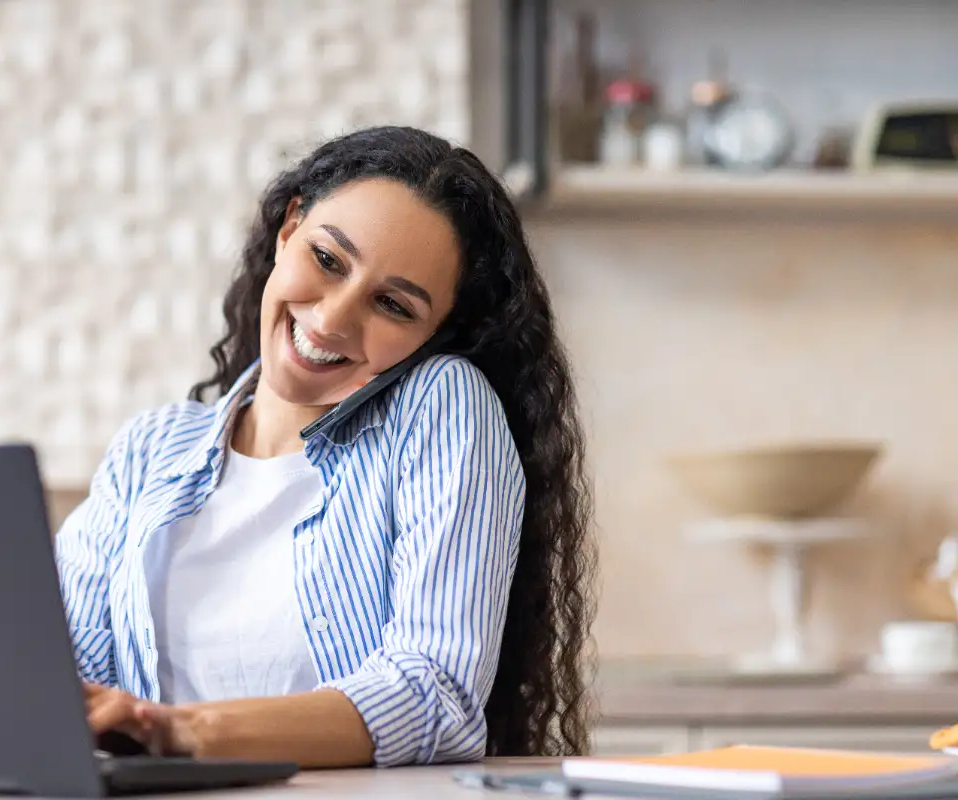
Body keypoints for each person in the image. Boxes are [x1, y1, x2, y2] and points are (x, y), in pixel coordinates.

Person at [58, 125, 595, 769]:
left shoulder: (440, 406)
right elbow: (64, 673)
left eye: (393, 305)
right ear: (289, 230)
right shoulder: (151, 449)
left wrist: (180, 731)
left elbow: (435, 695)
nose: (333, 319)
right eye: (329, 260)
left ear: (432, 335)